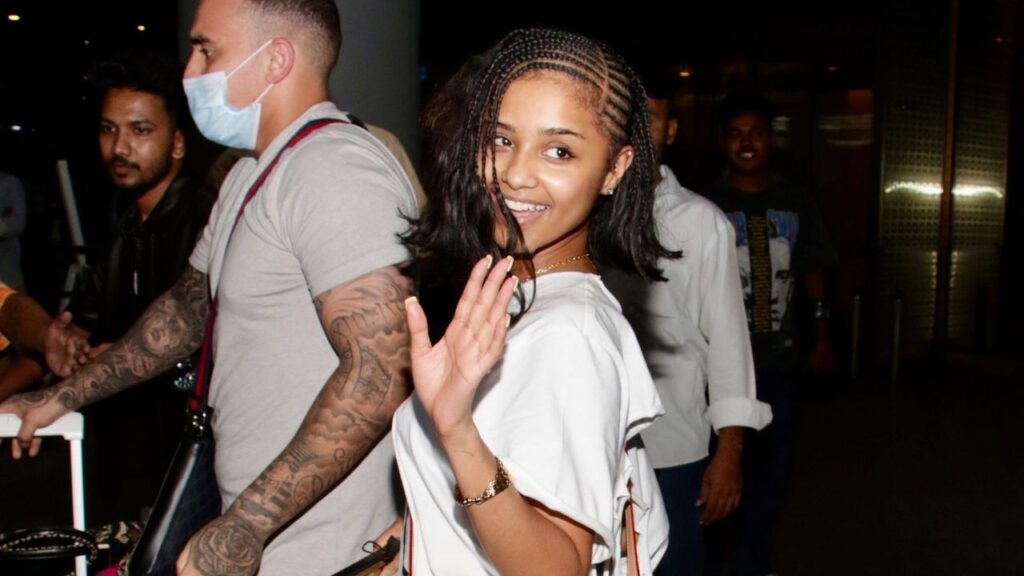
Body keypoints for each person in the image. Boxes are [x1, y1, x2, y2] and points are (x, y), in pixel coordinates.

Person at [0, 0, 417, 574]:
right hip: (265, 535)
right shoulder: (253, 171)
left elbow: (381, 371)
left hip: (323, 552)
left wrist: (247, 525)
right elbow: (187, 309)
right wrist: (63, 394)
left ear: (275, 59)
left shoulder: (335, 170)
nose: (190, 72)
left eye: (206, 51)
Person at [386, 28, 673, 575]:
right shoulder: (524, 298)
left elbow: (558, 567)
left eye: (559, 151)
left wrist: (457, 432)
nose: (515, 174)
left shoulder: (567, 334)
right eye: (500, 140)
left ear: (614, 169)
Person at [602, 77, 773, 576]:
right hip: (592, 445)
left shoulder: (701, 221)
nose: (638, 129)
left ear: (671, 130)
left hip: (673, 448)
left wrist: (730, 452)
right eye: (626, 115)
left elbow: (729, 344)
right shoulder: (580, 213)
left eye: (651, 118)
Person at [702, 90, 836, 576]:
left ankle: (754, 565)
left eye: (756, 133)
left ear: (770, 140)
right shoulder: (705, 205)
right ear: (723, 142)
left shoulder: (794, 202)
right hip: (715, 374)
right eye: (736, 134)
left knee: (770, 476)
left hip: (778, 365)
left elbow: (813, 270)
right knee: (715, 474)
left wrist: (822, 336)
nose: (746, 143)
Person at [87, 50, 218, 522]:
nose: (119, 147)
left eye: (140, 131)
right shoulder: (123, 227)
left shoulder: (207, 221)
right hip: (131, 456)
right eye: (108, 129)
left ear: (177, 143)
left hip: (189, 458)